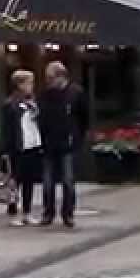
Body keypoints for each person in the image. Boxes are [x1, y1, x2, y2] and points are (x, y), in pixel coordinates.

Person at [38, 61, 87, 228]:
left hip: (68, 143)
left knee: (68, 180)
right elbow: (41, 117)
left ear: (61, 77)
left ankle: (68, 213)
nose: (48, 81)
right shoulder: (45, 95)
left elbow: (84, 118)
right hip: (49, 143)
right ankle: (48, 212)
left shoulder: (75, 93)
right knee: (48, 181)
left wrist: (77, 137)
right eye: (47, 78)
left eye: (51, 78)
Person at [0, 69, 42, 226]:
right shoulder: (10, 104)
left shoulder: (32, 103)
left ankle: (27, 212)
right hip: (17, 148)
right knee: (14, 182)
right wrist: (5, 150)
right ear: (20, 85)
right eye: (29, 83)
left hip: (31, 145)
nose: (31, 86)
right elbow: (6, 129)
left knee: (29, 181)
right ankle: (12, 213)